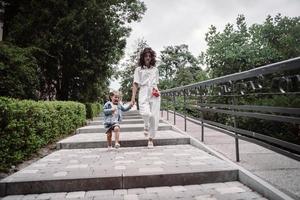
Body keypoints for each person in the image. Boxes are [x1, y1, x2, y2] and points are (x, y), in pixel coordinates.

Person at [130, 47, 161, 148]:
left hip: (154, 92)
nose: (148, 58)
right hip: (143, 91)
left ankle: (150, 139)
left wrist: (156, 90)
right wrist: (133, 98)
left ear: (152, 58)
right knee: (146, 113)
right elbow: (135, 84)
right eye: (146, 56)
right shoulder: (138, 70)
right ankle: (146, 124)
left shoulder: (155, 70)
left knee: (154, 117)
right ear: (143, 57)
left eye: (149, 56)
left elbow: (156, 83)